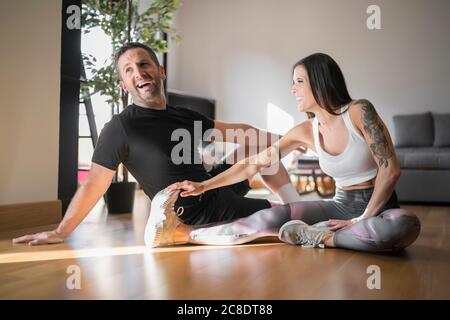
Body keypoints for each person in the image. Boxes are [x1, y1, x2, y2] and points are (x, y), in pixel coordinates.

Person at [12, 42, 302, 246]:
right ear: (124, 85)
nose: (138, 72)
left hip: (211, 186)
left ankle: (298, 205)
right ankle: (196, 231)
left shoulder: (183, 115)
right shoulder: (121, 127)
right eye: (128, 70)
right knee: (278, 214)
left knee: (260, 148)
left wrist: (291, 140)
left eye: (143, 64)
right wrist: (61, 232)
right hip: (194, 210)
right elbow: (94, 184)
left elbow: (241, 132)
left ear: (160, 71)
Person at [149, 53, 421, 252]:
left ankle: (322, 237)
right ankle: (185, 233)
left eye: (299, 81)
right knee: (268, 218)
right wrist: (204, 186)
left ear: (320, 81)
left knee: (404, 226)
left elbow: (390, 169)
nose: (293, 89)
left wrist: (361, 219)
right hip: (339, 205)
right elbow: (253, 165)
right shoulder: (304, 130)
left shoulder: (359, 111)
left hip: (381, 207)